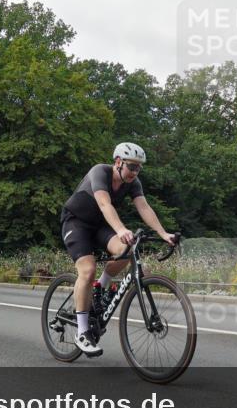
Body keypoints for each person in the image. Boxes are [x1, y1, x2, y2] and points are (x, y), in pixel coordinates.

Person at [60, 142, 176, 356]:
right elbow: (105, 205)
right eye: (132, 166)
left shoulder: (133, 183)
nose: (135, 172)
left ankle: (100, 288)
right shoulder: (100, 172)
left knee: (127, 249)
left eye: (139, 168)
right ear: (118, 162)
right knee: (87, 270)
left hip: (100, 226)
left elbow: (144, 207)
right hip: (76, 222)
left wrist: (163, 233)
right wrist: (121, 228)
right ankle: (83, 331)